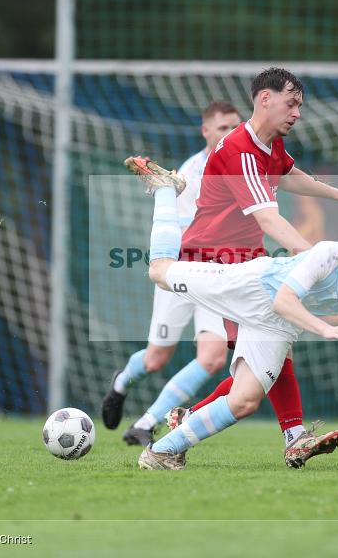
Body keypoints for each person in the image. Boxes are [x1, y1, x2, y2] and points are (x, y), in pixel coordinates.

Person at [103, 67, 338, 468]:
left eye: (300, 105)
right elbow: (270, 220)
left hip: (246, 262)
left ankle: (263, 431)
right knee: (257, 343)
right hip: (215, 262)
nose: (297, 112)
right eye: (292, 102)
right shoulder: (240, 151)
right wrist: (321, 260)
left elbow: (289, 174)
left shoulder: (269, 147)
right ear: (264, 99)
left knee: (267, 350)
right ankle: (285, 435)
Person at [122, 159, 338, 470]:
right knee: (159, 272)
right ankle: (166, 189)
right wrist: (324, 328)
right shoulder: (327, 254)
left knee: (245, 401)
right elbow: (284, 300)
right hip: (251, 286)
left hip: (276, 323)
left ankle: (163, 452)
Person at [101, 101, 241, 446]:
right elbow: (178, 230)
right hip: (178, 273)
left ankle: (146, 423)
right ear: (205, 131)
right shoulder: (191, 173)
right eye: (223, 128)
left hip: (215, 277)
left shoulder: (243, 167)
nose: (230, 135)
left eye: (235, 128)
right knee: (155, 359)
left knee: (211, 359)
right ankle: (121, 383)